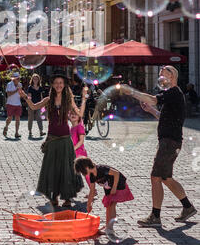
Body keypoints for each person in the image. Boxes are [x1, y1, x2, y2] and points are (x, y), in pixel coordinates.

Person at [121, 65, 197, 226]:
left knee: (156, 177)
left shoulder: (173, 92)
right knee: (165, 177)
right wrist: (151, 111)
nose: (162, 72)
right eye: (161, 72)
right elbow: (165, 116)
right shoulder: (172, 94)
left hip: (169, 141)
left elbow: (154, 99)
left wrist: (133, 92)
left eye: (166, 70)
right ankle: (188, 207)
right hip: (170, 141)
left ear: (174, 76)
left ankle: (155, 216)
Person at [19, 71, 88, 207]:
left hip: (65, 139)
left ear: (64, 85)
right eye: (56, 83)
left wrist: (84, 99)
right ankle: (54, 197)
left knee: (67, 170)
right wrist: (25, 97)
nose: (58, 85)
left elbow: (79, 113)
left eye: (61, 83)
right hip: (52, 139)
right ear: (52, 85)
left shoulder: (69, 100)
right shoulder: (48, 100)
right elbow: (33, 107)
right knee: (53, 170)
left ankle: (67, 198)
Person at [74, 157, 134, 236]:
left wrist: (114, 187)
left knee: (112, 206)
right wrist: (89, 205)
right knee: (108, 206)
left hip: (118, 185)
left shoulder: (102, 169)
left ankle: (110, 229)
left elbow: (116, 174)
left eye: (83, 172)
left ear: (86, 167)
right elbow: (92, 191)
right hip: (109, 188)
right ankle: (108, 227)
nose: (83, 174)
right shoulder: (92, 176)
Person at [69, 110, 91, 195]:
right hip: (74, 154)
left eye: (75, 114)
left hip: (80, 154)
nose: (73, 115)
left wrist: (73, 149)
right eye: (71, 114)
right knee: (74, 172)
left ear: (79, 117)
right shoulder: (71, 128)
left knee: (86, 173)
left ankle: (93, 190)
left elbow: (81, 141)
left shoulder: (80, 127)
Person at [3, 72, 22, 139]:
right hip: (10, 103)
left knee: (18, 119)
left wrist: (23, 95)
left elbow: (21, 94)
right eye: (17, 78)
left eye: (18, 78)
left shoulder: (20, 84)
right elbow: (8, 94)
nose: (18, 79)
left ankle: (16, 133)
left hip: (18, 104)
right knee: (10, 118)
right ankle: (6, 126)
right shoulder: (9, 84)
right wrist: (16, 90)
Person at [27, 73, 46, 138]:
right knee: (31, 118)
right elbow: (29, 96)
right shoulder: (30, 87)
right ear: (32, 80)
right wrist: (30, 104)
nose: (35, 80)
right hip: (31, 105)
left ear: (38, 80)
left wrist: (42, 104)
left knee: (39, 118)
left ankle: (41, 131)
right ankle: (30, 131)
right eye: (34, 79)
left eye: (36, 79)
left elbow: (41, 97)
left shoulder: (40, 88)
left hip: (38, 105)